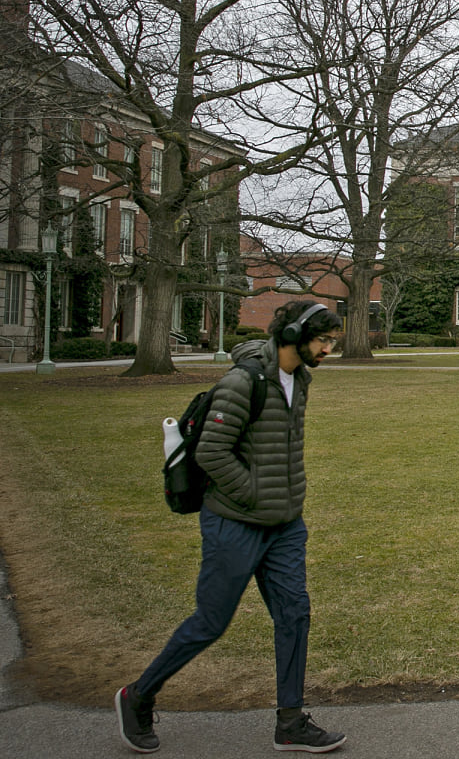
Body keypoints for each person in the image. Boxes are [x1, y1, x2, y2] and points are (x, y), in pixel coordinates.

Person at [116, 301, 347, 754]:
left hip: (284, 526)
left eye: (332, 342)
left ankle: (290, 722)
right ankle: (137, 696)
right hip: (234, 524)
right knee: (210, 622)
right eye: (322, 341)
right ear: (293, 335)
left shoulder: (300, 378)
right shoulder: (242, 383)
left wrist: (284, 502)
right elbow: (212, 452)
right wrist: (255, 495)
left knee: (294, 616)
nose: (327, 350)